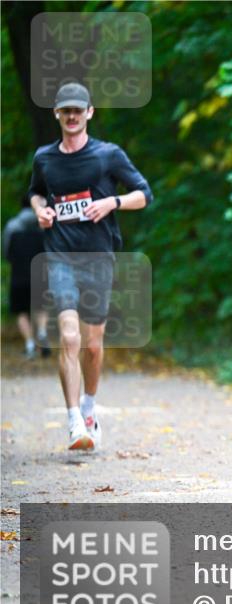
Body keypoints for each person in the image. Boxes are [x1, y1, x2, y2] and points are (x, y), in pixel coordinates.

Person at [27, 82, 153, 451]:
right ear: (56, 113)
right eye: (65, 110)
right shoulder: (44, 158)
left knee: (93, 346)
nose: (71, 116)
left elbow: (144, 194)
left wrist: (112, 202)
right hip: (60, 255)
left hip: (98, 256)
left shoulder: (108, 155)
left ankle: (89, 408)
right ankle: (72, 423)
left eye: (77, 111)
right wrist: (41, 210)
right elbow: (35, 191)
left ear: (89, 113)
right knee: (69, 336)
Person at [3, 202, 50, 359]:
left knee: (21, 312)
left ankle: (30, 344)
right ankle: (42, 333)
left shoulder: (12, 227)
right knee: (41, 307)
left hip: (19, 275)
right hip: (40, 275)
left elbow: (7, 253)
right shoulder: (44, 224)